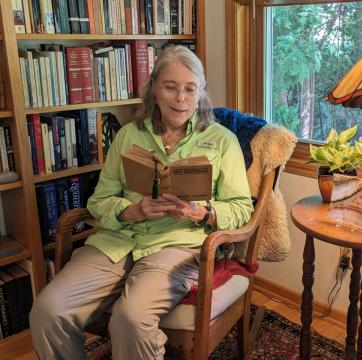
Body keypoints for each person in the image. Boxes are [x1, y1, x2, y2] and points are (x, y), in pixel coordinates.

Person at [30, 45, 254, 360]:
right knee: (47, 310)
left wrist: (202, 212)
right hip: (117, 240)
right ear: (154, 89)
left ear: (201, 92)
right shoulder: (127, 136)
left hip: (178, 246)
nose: (181, 99)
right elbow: (99, 200)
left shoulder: (221, 141)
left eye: (190, 89)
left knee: (130, 319)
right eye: (170, 87)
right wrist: (130, 210)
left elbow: (242, 207)